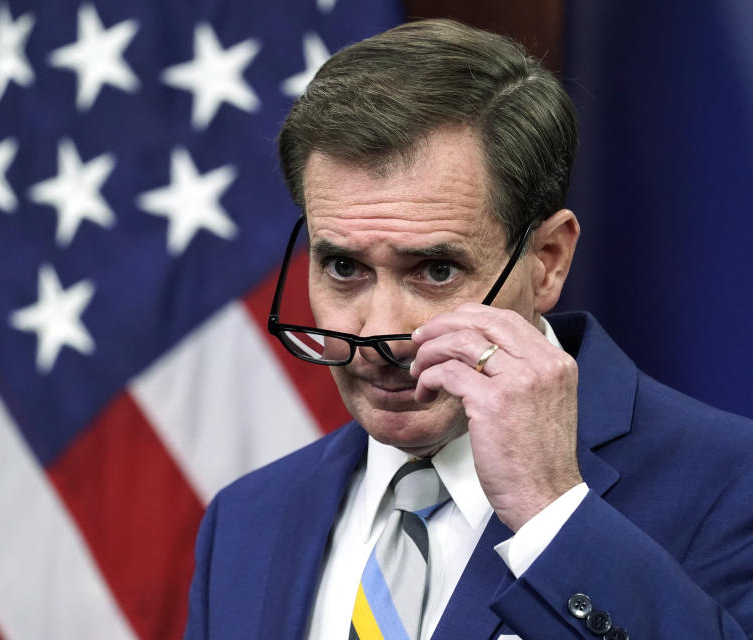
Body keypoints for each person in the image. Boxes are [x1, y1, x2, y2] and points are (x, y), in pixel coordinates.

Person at [184, 18, 753, 640]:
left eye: (435, 270)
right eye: (344, 267)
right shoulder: (244, 522)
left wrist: (553, 515)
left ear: (548, 261)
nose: (383, 335)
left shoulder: (730, 487)